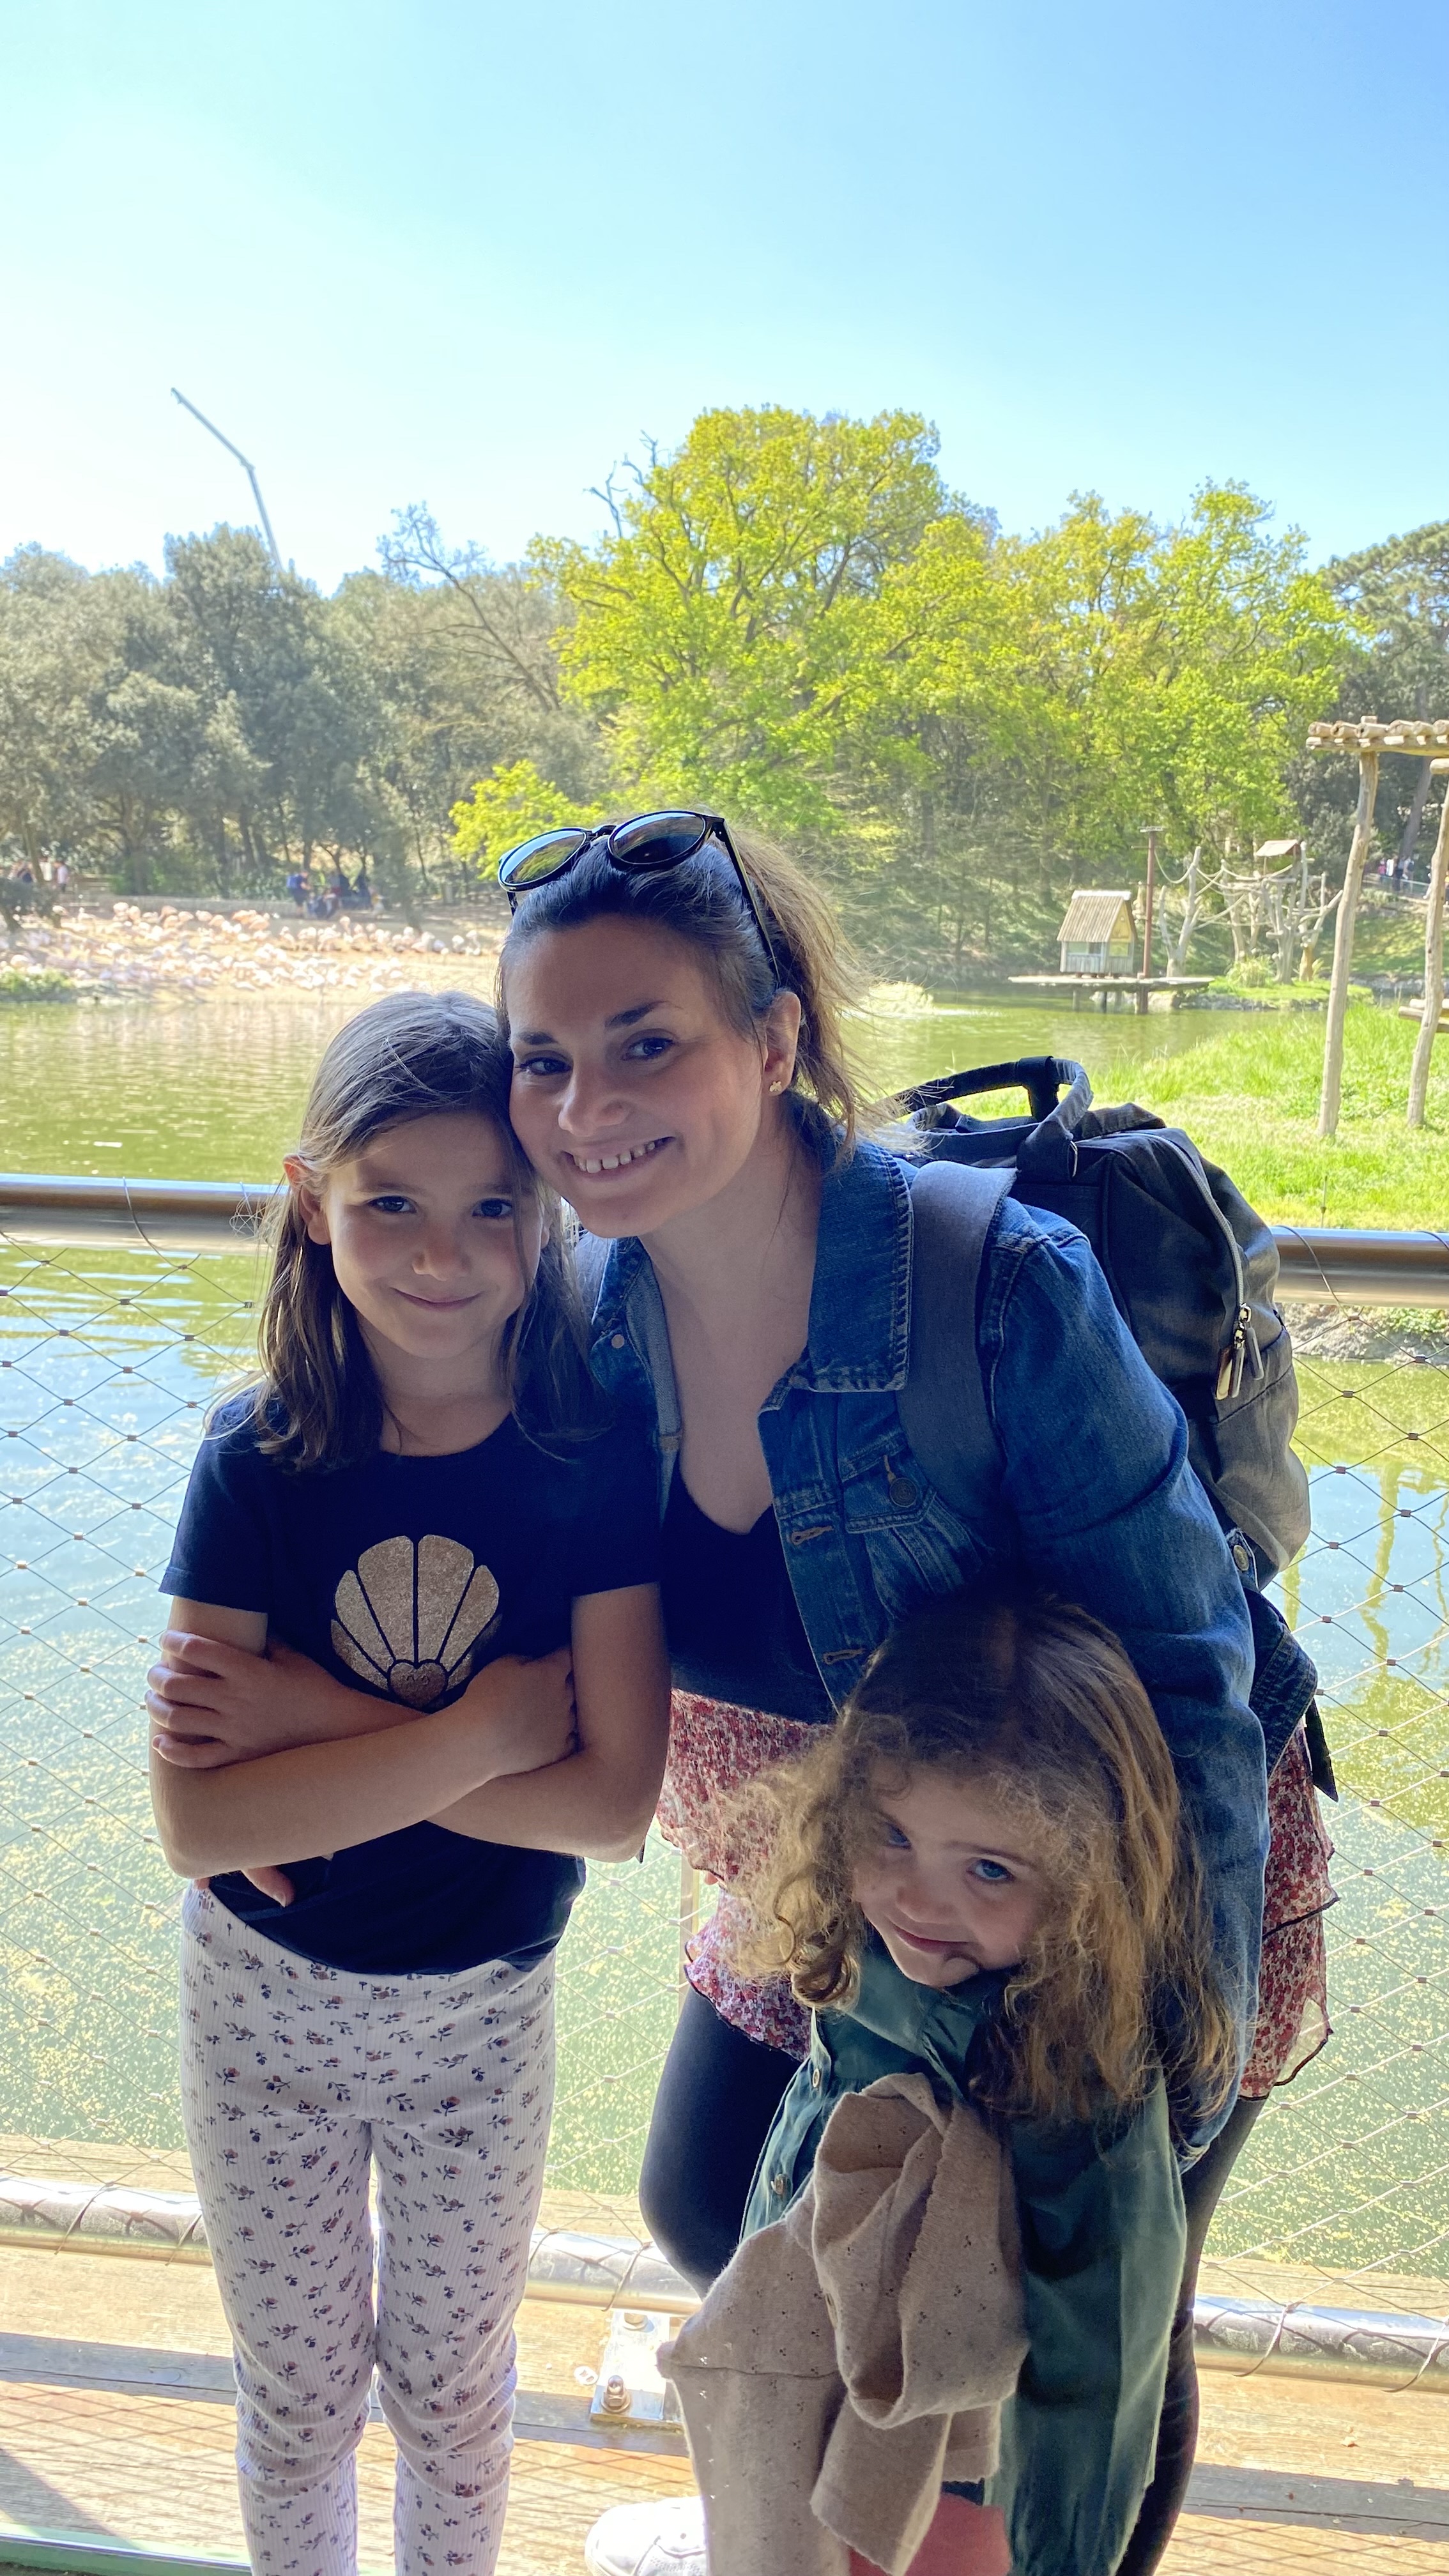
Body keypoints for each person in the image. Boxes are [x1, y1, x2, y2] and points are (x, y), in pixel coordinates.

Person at [486, 808, 1324, 2576]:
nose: (584, 1106)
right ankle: (847, 2518)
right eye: (541, 1058)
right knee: (716, 2199)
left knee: (1078, 2322)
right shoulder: (584, 1317)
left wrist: (1162, 2059)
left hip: (1098, 1867)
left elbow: (1192, 1674)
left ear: (774, 1039)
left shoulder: (1000, 1290)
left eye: (646, 1043)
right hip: (845, 1852)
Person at [146, 989, 670, 2576]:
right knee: (299, 2404)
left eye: (491, 1208)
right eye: (391, 1206)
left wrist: (313, 1722)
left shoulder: (592, 1452)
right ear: (313, 1204)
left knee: (453, 2400)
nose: (442, 1255)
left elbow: (614, 1808)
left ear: (547, 1210)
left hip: (481, 2017)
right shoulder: (256, 1458)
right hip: (264, 2012)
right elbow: (200, 1823)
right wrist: (485, 1735)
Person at [668, 1582, 1230, 2576]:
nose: (919, 1901)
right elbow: (808, 2142)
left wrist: (1061, 2557)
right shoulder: (863, 1946)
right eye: (892, 1835)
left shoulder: (1081, 2080)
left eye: (991, 1871)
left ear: (1086, 1882)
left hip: (967, 2469)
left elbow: (1105, 2345)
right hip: (832, 2372)